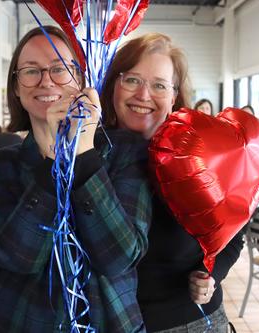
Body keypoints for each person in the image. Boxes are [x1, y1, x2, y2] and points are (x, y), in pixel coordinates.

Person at [0, 26, 152, 332]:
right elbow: (17, 259)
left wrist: (83, 153)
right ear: (15, 87)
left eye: (59, 68)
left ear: (80, 79)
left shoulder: (124, 152)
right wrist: (53, 160)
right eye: (31, 71)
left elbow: (120, 257)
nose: (46, 80)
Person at [100, 32, 243, 332]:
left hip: (187, 322)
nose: (143, 95)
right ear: (114, 83)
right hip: (107, 322)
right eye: (132, 80)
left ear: (174, 96)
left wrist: (210, 273)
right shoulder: (88, 152)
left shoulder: (199, 157)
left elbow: (234, 233)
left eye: (159, 85)